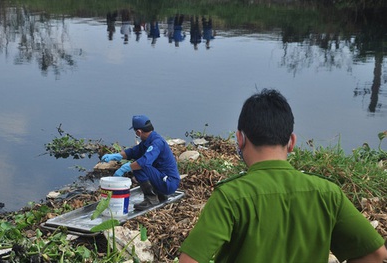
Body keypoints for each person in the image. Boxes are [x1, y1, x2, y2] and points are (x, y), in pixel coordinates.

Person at [179, 89, 387, 263]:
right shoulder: (328, 193)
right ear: (292, 142)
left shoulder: (230, 196)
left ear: (240, 139)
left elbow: (190, 259)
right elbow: (375, 254)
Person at [101, 115, 180, 210]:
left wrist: (126, 167)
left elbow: (144, 162)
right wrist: (115, 156)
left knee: (140, 166)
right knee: (139, 164)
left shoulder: (156, 143)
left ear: (139, 132)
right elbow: (133, 152)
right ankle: (160, 195)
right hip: (162, 179)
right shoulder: (148, 140)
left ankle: (151, 199)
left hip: (168, 182)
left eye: (136, 133)